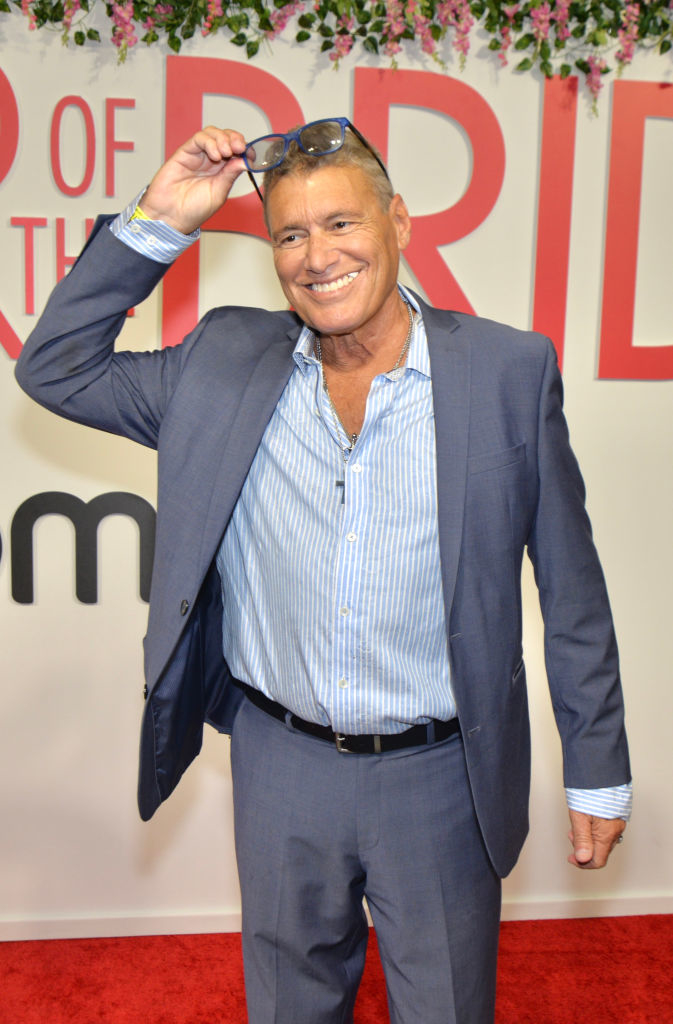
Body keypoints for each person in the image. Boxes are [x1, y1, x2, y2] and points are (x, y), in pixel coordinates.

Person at [16, 117, 631, 1024]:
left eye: (341, 224)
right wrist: (162, 218)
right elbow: (55, 368)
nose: (317, 256)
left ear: (399, 224)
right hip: (278, 767)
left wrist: (595, 767)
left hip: (443, 776)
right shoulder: (222, 361)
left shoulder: (506, 369)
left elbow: (573, 592)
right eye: (290, 235)